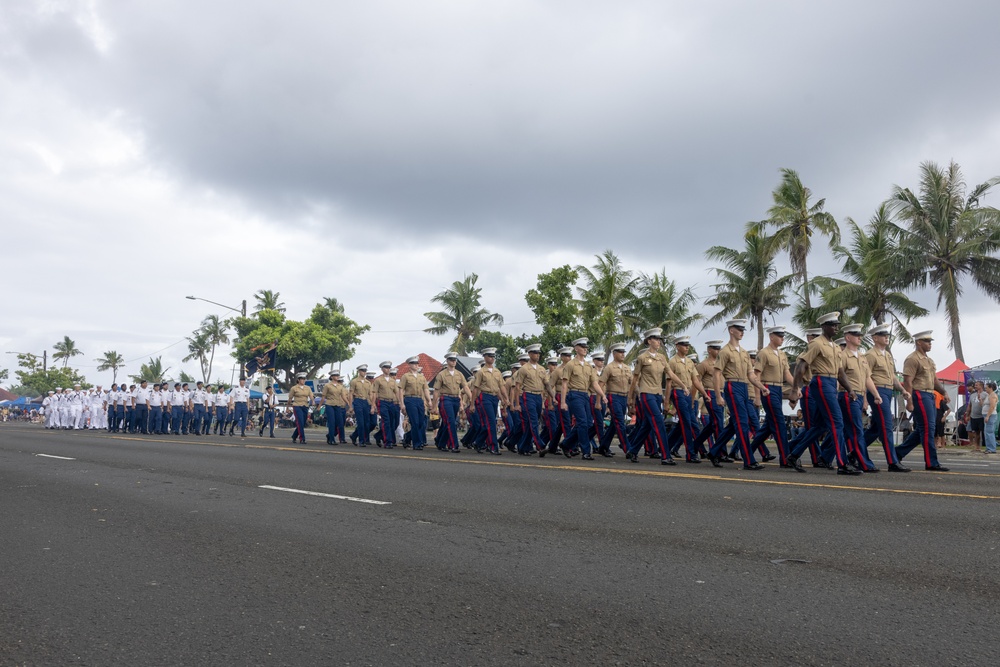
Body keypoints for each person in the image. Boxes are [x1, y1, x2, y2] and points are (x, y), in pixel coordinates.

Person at [785, 312, 860, 475]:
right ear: (824, 326)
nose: (836, 328)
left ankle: (793, 454)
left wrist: (850, 390)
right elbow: (801, 366)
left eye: (837, 325)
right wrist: (794, 389)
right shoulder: (817, 344)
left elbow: (840, 372)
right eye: (833, 325)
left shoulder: (834, 347)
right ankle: (842, 464)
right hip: (821, 382)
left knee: (820, 426)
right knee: (837, 422)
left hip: (832, 383)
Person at [710, 319, 772, 470]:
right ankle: (749, 460)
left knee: (734, 424)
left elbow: (751, 375)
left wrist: (761, 387)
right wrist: (718, 395)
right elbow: (716, 374)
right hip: (732, 386)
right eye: (739, 329)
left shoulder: (744, 353)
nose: (742, 332)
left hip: (744, 386)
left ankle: (713, 452)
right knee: (743, 423)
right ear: (731, 330)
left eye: (743, 329)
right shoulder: (725, 352)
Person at [896, 330, 949, 471]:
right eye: (927, 341)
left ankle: (898, 452)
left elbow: (934, 380)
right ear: (918, 342)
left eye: (930, 341)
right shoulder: (912, 359)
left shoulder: (929, 360)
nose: (930, 344)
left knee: (922, 429)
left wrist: (943, 392)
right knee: (928, 429)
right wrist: (909, 401)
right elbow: (908, 381)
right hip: (919, 394)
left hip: (929, 394)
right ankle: (931, 462)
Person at [863, 324, 911, 472]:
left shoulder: (888, 355)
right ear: (875, 338)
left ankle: (854, 451)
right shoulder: (870, 355)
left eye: (887, 335)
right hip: (877, 391)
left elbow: (893, 377)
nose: (887, 338)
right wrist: (865, 398)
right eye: (883, 335)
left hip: (888, 391)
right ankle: (892, 461)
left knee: (877, 428)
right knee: (886, 426)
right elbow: (866, 377)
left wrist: (902, 390)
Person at [626, 328, 678, 465]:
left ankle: (632, 450)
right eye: (655, 339)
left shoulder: (662, 358)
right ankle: (666, 456)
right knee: (659, 422)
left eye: (659, 339)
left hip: (656, 395)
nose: (658, 342)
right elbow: (635, 379)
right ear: (649, 341)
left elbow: (670, 374)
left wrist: (683, 385)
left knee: (647, 426)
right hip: (646, 394)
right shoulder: (642, 358)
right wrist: (630, 400)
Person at [749, 325, 798, 467]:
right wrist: (758, 396)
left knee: (769, 427)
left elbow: (787, 374)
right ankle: (785, 458)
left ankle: (748, 450)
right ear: (771, 337)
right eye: (779, 336)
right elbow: (756, 375)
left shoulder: (782, 354)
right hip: (768, 389)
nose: (782, 338)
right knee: (780, 424)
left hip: (778, 388)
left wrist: (796, 387)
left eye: (783, 336)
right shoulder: (763, 353)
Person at [839, 324, 881, 472]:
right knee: (856, 430)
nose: (859, 338)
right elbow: (839, 377)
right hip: (848, 395)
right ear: (848, 337)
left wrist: (875, 395)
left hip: (858, 396)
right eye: (856, 335)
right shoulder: (842, 356)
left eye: (860, 335)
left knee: (853, 430)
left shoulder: (862, 357)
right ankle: (864, 463)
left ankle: (853, 457)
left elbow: (867, 379)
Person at [559, 338, 607, 461]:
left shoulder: (588, 366)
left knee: (587, 424)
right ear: (576, 348)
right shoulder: (570, 365)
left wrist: (602, 395)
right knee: (582, 423)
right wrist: (563, 402)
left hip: (585, 395)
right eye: (582, 346)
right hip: (574, 395)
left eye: (586, 347)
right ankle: (586, 451)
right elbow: (564, 384)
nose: (585, 349)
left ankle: (566, 444)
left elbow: (595, 383)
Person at [665, 336, 707, 463]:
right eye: (684, 345)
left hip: (688, 393)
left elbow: (695, 380)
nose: (687, 347)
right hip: (678, 391)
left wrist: (704, 394)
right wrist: (667, 402)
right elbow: (668, 383)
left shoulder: (689, 362)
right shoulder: (672, 362)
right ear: (677, 346)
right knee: (687, 423)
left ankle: (664, 447)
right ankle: (691, 454)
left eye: (687, 345)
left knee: (682, 424)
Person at [469, 348, 509, 454]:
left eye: (493, 356)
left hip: (494, 397)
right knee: (491, 422)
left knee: (488, 424)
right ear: (485, 357)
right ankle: (493, 447)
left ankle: (478, 442)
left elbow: (501, 387)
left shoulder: (497, 372)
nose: (492, 358)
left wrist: (505, 398)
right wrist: (472, 404)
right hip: (484, 397)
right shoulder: (481, 372)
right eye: (490, 356)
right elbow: (476, 389)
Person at [433, 352, 472, 452]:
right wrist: (434, 406)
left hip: (455, 399)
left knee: (447, 423)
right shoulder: (441, 374)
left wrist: (471, 398)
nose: (453, 362)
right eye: (451, 360)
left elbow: (465, 387)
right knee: (451, 422)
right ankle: (454, 445)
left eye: (455, 360)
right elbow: (436, 391)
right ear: (447, 361)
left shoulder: (459, 374)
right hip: (446, 399)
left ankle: (440, 442)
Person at [514, 343, 548, 456]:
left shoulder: (542, 369)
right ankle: (540, 446)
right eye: (534, 353)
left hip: (538, 396)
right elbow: (517, 386)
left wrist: (552, 397)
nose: (537, 355)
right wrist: (517, 404)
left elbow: (546, 385)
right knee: (533, 421)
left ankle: (523, 446)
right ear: (529, 354)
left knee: (530, 424)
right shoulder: (524, 369)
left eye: (538, 353)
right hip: (528, 395)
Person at [399, 357, 431, 450]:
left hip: (419, 400)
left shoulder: (422, 377)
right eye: (414, 363)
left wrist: (429, 401)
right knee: (415, 422)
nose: (416, 365)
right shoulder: (405, 376)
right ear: (409, 365)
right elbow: (401, 390)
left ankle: (407, 437)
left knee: (421, 423)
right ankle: (417, 443)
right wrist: (402, 404)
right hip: (410, 399)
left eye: (417, 363)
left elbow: (425, 389)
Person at [373, 361, 401, 448]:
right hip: (382, 402)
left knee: (394, 423)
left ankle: (378, 436)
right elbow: (374, 392)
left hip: (391, 402)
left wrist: (400, 402)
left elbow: (396, 392)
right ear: (382, 369)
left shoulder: (393, 381)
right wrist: (373, 404)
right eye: (386, 368)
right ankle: (388, 441)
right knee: (387, 422)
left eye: (389, 368)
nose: (388, 369)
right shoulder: (378, 380)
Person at [319, 371, 349, 444]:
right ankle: (332, 439)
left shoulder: (340, 386)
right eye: (335, 375)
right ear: (332, 377)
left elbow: (343, 396)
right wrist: (319, 406)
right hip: (329, 405)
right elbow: (323, 397)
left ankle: (330, 436)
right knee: (332, 422)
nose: (337, 376)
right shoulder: (327, 385)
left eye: (338, 375)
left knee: (340, 422)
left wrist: (348, 403)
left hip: (338, 405)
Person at [348, 364, 373, 446]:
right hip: (358, 400)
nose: (364, 372)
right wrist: (351, 406)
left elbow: (370, 395)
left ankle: (355, 436)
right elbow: (351, 394)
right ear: (359, 371)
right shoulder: (354, 381)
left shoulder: (368, 383)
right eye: (362, 370)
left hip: (365, 401)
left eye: (365, 371)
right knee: (361, 422)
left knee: (367, 423)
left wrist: (373, 405)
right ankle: (361, 441)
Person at [288, 373, 314, 444]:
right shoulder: (294, 388)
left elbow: (311, 396)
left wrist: (313, 401)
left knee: (302, 423)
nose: (303, 380)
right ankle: (302, 438)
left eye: (304, 379)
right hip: (297, 405)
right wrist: (288, 407)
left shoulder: (307, 388)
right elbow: (290, 398)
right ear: (298, 380)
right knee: (300, 422)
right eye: (302, 379)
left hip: (305, 406)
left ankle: (294, 436)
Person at [968, 381, 986, 451]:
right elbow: (970, 405)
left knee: (983, 431)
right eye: (975, 385)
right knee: (976, 432)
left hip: (981, 416)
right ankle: (976, 446)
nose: (975, 386)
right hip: (973, 416)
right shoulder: (972, 395)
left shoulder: (985, 394)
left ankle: (985, 446)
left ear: (981, 386)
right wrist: (968, 414)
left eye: (976, 385)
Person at [983, 382, 998, 454]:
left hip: (991, 415)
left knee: (989, 432)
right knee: (987, 432)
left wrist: (988, 416)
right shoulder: (989, 395)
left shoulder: (993, 395)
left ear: (991, 388)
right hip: (987, 415)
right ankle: (988, 447)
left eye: (986, 387)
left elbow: (992, 406)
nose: (985, 389)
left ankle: (991, 448)